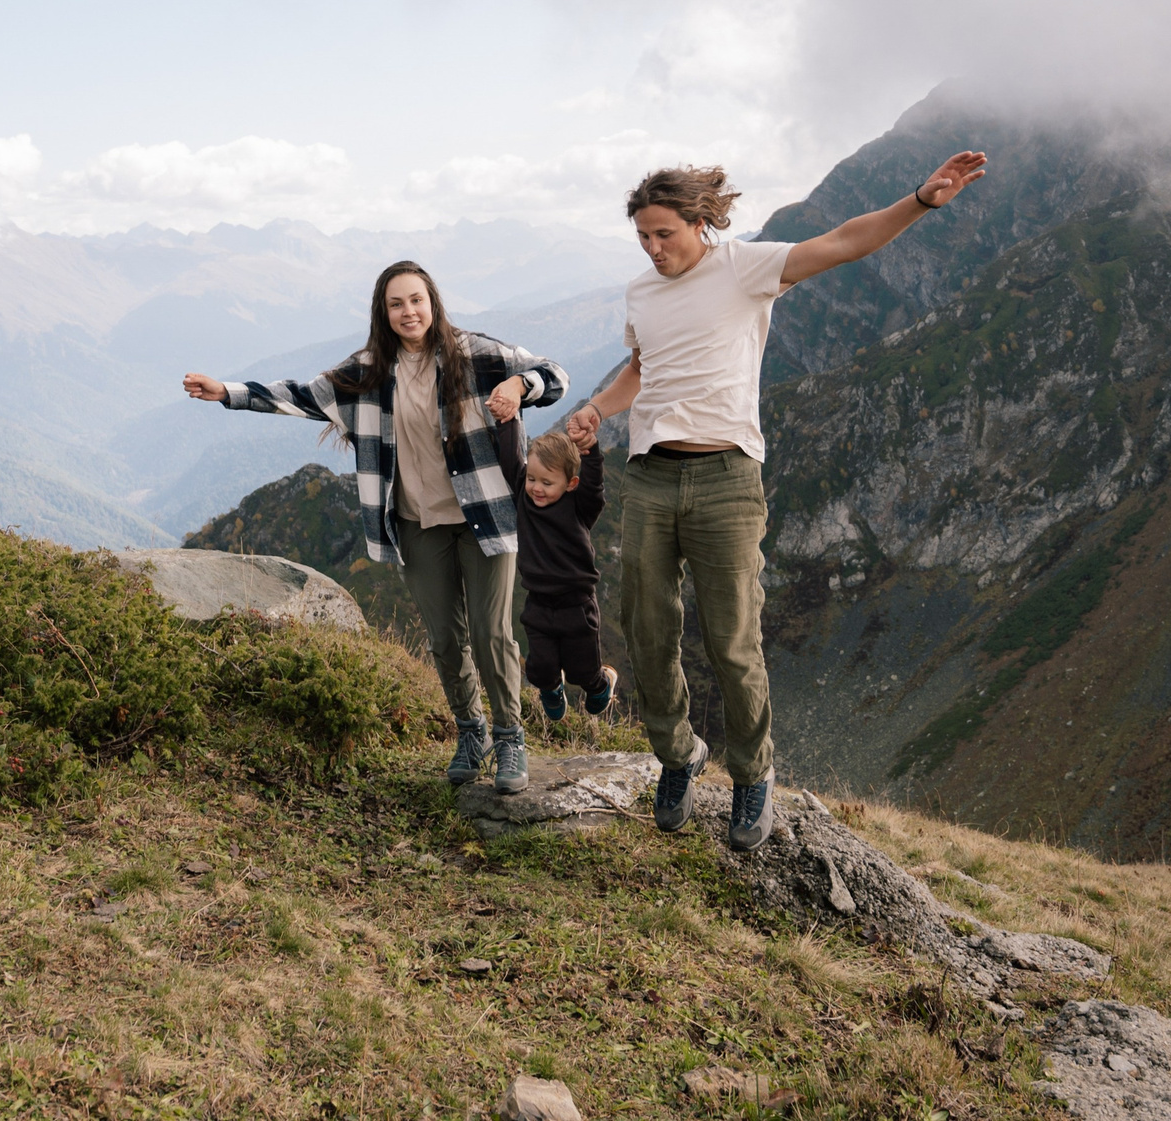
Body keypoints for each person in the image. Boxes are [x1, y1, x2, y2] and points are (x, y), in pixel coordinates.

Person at [566, 152, 987, 848]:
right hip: (649, 474)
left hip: (727, 477)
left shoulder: (744, 267)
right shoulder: (642, 291)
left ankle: (752, 774)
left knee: (733, 640)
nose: (653, 247)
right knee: (646, 629)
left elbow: (846, 242)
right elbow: (642, 367)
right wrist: (598, 408)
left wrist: (921, 199)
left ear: (700, 223)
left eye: (664, 233)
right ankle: (678, 753)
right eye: (642, 237)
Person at [183, 260, 566, 794]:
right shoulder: (365, 372)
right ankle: (471, 731)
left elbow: (555, 376)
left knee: (490, 631)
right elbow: (298, 395)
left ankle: (509, 738)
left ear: (432, 302)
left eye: (416, 300)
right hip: (416, 523)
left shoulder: (477, 355)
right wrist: (226, 390)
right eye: (396, 304)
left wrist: (521, 384)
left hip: (485, 518)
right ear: (382, 313)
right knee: (445, 639)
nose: (409, 312)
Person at [505, 423, 615, 723]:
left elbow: (593, 486)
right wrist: (505, 420)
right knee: (539, 667)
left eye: (547, 482)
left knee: (582, 669)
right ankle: (551, 688)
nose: (536, 488)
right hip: (538, 602)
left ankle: (599, 683)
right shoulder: (525, 500)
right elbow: (509, 459)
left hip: (576, 605)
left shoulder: (580, 507)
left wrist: (589, 450)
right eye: (531, 479)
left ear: (570, 483)